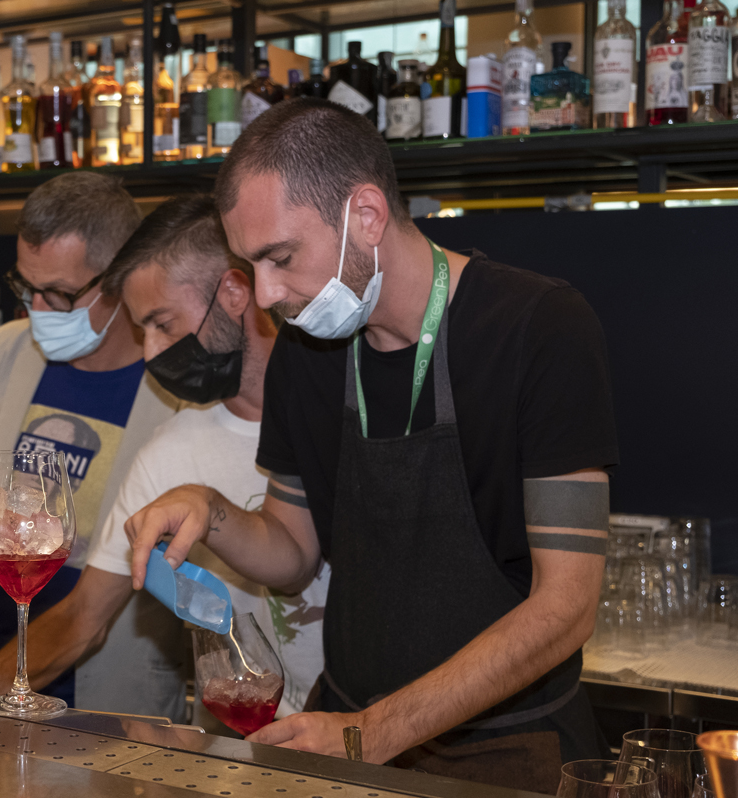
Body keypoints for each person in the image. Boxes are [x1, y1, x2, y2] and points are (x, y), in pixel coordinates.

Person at [125, 99, 617, 792]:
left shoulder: (539, 329)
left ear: (366, 215)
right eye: (250, 264)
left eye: (280, 257)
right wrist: (210, 509)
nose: (266, 294)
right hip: (344, 736)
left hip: (507, 751)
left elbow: (567, 606)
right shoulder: (308, 351)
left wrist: (377, 732)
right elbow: (292, 556)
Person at [0, 195, 330, 724]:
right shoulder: (171, 452)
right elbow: (83, 617)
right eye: (143, 332)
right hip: (246, 742)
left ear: (233, 292)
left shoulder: (341, 409)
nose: (154, 354)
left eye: (163, 323)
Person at [0, 171, 180, 712]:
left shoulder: (174, 390)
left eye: (61, 294)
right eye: (27, 288)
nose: (38, 310)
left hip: (107, 705)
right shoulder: (7, 351)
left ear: (121, 279)